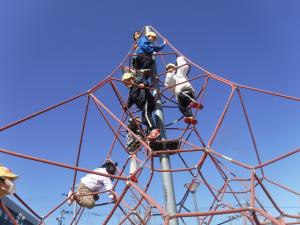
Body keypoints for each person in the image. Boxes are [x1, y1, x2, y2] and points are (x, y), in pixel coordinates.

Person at [164, 56, 203, 124]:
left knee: (182, 95)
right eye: (168, 69)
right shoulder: (171, 77)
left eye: (171, 68)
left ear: (175, 68)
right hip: (179, 97)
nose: (170, 69)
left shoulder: (180, 74)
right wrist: (170, 74)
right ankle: (190, 117)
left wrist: (179, 58)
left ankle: (192, 102)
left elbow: (183, 67)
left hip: (186, 90)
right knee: (181, 107)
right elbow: (168, 84)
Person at [122, 72, 160, 140]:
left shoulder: (138, 81)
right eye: (125, 84)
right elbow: (130, 101)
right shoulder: (131, 92)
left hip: (147, 100)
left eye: (128, 81)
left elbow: (146, 82)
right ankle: (149, 131)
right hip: (143, 105)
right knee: (144, 120)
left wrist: (143, 85)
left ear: (132, 79)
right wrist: (126, 106)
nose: (127, 84)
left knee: (146, 115)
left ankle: (154, 130)